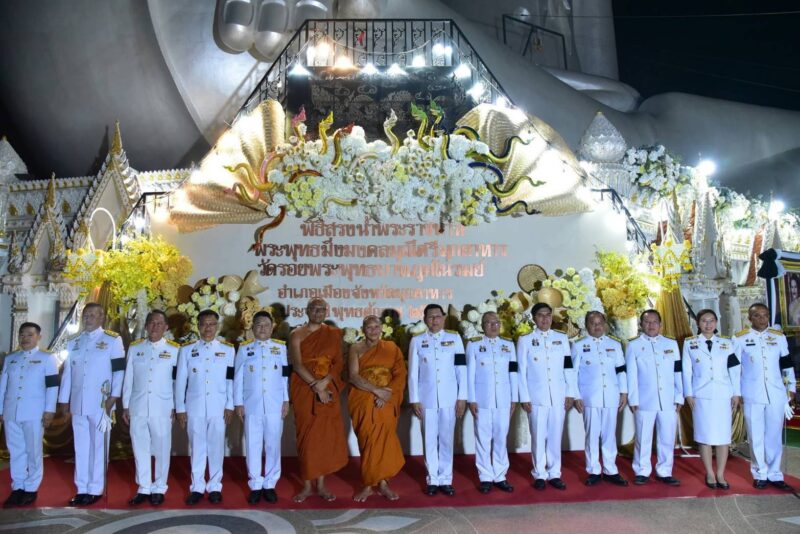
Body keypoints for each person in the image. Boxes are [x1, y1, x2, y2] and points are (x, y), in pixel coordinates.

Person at [57, 303, 125, 506]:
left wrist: (114, 396)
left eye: (92, 315)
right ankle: (82, 488)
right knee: (81, 446)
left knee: (98, 445)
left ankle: (95, 488)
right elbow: (68, 372)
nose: (88, 318)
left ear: (102, 317)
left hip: (101, 402)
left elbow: (119, 370)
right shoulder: (74, 341)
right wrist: (63, 400)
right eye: (85, 315)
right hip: (78, 402)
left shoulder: (112, 340)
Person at [288, 298, 348, 502]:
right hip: (304, 387)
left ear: (326, 312)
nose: (318, 312)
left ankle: (321, 485)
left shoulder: (333, 334)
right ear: (307, 311)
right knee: (306, 437)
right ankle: (306, 485)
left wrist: (326, 382)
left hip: (327, 386)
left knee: (322, 438)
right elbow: (296, 364)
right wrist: (316, 385)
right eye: (314, 308)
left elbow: (338, 363)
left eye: (322, 309)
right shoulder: (296, 335)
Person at [733, 303, 796, 490]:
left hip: (776, 392)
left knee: (774, 435)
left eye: (765, 315)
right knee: (756, 435)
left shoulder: (778, 337)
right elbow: (735, 369)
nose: (762, 319)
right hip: (752, 393)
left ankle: (775, 473)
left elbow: (786, 363)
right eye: (758, 316)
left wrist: (791, 386)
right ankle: (760, 473)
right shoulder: (740, 339)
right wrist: (737, 392)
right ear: (750, 318)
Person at [175, 309, 235, 505]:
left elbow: (230, 381)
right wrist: (180, 408)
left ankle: (215, 486)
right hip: (194, 407)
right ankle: (197, 487)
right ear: (198, 326)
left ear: (217, 326)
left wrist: (230, 405)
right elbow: (180, 382)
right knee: (197, 448)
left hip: (219, 407)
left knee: (217, 447)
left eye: (212, 324)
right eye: (204, 324)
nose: (207, 328)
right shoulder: (186, 350)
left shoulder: (228, 350)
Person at [121, 310, 181, 506]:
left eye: (159, 323)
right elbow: (128, 377)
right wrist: (125, 405)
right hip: (137, 406)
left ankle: (159, 487)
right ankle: (144, 487)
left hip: (162, 406)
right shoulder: (135, 348)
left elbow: (177, 382)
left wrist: (175, 407)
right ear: (146, 326)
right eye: (151, 323)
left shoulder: (175, 350)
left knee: (162, 448)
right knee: (140, 447)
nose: (155, 327)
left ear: (166, 327)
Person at [408, 303, 467, 496]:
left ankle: (446, 479)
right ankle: (432, 479)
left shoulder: (454, 338)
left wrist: (462, 397)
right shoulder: (417, 341)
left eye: (438, 316)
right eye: (431, 317)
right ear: (425, 319)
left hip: (450, 398)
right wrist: (414, 399)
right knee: (429, 439)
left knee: (447, 439)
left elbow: (461, 370)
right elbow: (413, 374)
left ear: (443, 318)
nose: (435, 320)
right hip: (427, 399)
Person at [348, 315, 407, 502]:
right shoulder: (355, 348)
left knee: (384, 442)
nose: (373, 330)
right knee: (367, 441)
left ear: (381, 328)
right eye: (369, 327)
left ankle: (383, 484)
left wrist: (387, 392)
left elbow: (400, 374)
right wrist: (376, 391)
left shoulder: (391, 348)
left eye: (376, 326)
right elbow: (353, 376)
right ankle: (367, 484)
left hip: (386, 400)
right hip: (364, 399)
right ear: (363, 329)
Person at [517, 303, 576, 490]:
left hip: (558, 395)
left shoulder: (561, 338)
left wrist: (570, 392)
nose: (545, 319)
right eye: (541, 315)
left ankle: (554, 473)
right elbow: (521, 371)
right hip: (536, 397)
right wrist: (524, 397)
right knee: (538, 435)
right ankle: (539, 473)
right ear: (534, 318)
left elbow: (568, 366)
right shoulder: (525, 340)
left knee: (555, 435)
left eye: (548, 315)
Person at [233, 311, 290, 505]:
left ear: (272, 326)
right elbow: (238, 377)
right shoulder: (244, 348)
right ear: (253, 327)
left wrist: (286, 400)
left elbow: (284, 376)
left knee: (273, 444)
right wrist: (238, 403)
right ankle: (256, 484)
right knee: (253, 444)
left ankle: (270, 484)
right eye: (258, 324)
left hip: (275, 404)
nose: (262, 328)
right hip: (252, 404)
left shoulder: (280, 348)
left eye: (266, 324)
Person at [0, 322, 59, 507]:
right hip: (12, 411)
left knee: (33, 451)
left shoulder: (47, 358)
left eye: (30, 335)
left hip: (34, 412)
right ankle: (18, 487)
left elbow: (52, 386)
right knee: (15, 450)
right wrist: (1, 410)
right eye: (22, 335)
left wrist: (49, 410)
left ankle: (31, 488)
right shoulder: (11, 358)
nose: (25, 338)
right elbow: (3, 386)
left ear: (38, 337)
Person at [682, 309, 742, 490]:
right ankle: (709, 472)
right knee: (704, 436)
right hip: (701, 395)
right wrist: (688, 393)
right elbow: (686, 370)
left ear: (716, 322)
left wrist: (736, 393)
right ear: (697, 323)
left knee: (723, 436)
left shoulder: (726, 343)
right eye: (704, 321)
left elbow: (734, 370)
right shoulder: (689, 343)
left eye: (711, 321)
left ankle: (721, 473)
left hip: (723, 395)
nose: (708, 324)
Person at [626, 309, 683, 486]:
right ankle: (642, 470)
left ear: (661, 324)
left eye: (654, 322)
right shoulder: (633, 345)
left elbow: (677, 372)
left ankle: (664, 471)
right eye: (647, 322)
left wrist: (679, 396)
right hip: (644, 399)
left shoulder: (671, 344)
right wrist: (633, 399)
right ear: (641, 325)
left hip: (668, 399)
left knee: (667, 437)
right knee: (643, 437)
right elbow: (631, 375)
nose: (651, 325)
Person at [571, 311, 629, 487]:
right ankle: (594, 470)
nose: (596, 326)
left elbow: (621, 370)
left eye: (599, 323)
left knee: (609, 435)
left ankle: (610, 470)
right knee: (592, 435)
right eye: (592, 323)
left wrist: (624, 392)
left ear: (605, 324)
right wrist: (576, 395)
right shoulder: (578, 345)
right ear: (586, 325)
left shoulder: (615, 344)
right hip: (590, 397)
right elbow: (572, 373)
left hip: (611, 395)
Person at [466, 311, 517, 494]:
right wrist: (471, 399)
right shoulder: (474, 345)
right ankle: (485, 476)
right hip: (482, 399)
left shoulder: (509, 345)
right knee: (483, 438)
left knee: (501, 438)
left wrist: (514, 398)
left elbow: (513, 373)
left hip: (503, 399)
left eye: (496, 322)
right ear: (482, 325)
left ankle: (500, 475)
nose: (493, 325)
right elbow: (469, 375)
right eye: (489, 323)